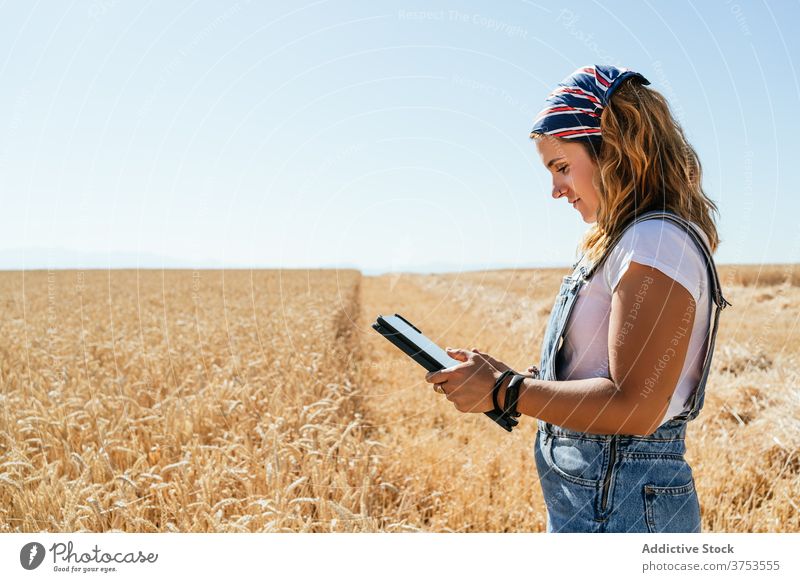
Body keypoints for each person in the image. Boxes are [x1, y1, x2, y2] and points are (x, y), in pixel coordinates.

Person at [424, 65, 731, 533]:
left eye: (562, 167)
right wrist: (508, 381)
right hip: (599, 503)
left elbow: (636, 407)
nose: (555, 190)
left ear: (617, 152)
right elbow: (597, 373)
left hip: (620, 511)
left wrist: (507, 390)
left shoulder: (655, 242)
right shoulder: (629, 240)